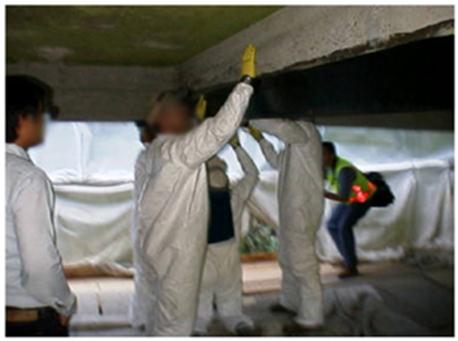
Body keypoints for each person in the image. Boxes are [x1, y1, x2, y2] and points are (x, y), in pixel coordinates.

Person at [136, 44, 256, 336]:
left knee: (167, 314)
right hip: (177, 254)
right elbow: (215, 134)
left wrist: (196, 125)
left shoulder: (155, 152)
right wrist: (245, 84)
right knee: (175, 323)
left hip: (158, 248)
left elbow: (198, 149)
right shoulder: (178, 153)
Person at [6, 75, 77, 336]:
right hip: (24, 320)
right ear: (23, 119)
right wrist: (65, 303)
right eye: (41, 114)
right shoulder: (27, 177)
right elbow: (39, 264)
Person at [249, 119, 324, 335]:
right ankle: (291, 301)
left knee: (302, 263)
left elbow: (283, 129)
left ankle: (311, 317)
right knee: (288, 258)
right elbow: (276, 161)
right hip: (293, 210)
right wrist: (260, 139)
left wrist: (250, 117)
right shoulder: (296, 144)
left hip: (301, 211)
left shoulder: (305, 130)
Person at [194, 135, 259, 336]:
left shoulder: (195, 202)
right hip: (228, 255)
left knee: (201, 299)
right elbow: (253, 174)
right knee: (230, 298)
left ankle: (199, 326)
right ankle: (235, 321)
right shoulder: (235, 197)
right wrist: (237, 147)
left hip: (204, 257)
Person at [322, 141, 377, 278]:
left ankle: (351, 267)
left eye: (322, 154)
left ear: (331, 155)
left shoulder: (344, 170)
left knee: (343, 226)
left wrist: (323, 193)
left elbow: (343, 197)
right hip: (351, 198)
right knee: (331, 225)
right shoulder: (327, 166)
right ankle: (348, 260)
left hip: (362, 198)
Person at [129, 120, 156, 329]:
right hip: (144, 222)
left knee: (154, 273)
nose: (140, 134)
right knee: (146, 273)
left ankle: (150, 317)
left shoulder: (156, 156)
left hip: (155, 223)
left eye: (143, 130)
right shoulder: (145, 156)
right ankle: (145, 317)